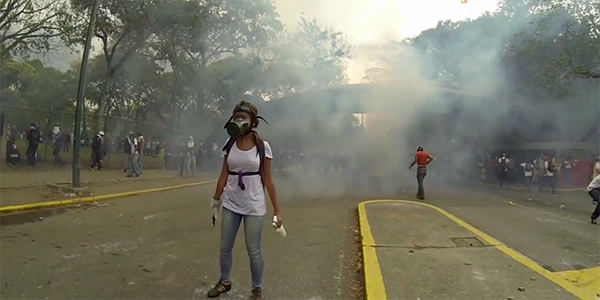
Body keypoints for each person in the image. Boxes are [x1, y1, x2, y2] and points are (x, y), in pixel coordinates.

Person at [208, 101, 281, 300]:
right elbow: (224, 174)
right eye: (236, 117)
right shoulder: (229, 143)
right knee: (225, 247)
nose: (239, 120)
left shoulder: (262, 146)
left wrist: (277, 211)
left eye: (243, 118)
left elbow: (268, 179)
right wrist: (215, 201)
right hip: (231, 203)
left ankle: (257, 289)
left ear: (252, 122)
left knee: (254, 250)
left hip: (253, 205)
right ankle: (225, 282)